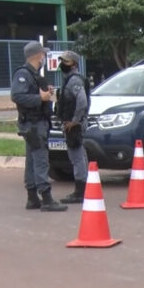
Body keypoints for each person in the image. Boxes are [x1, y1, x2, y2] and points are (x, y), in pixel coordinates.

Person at [11, 41, 67, 212]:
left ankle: (33, 198)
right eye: (43, 54)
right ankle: (47, 198)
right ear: (37, 55)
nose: (44, 57)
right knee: (41, 160)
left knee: (32, 161)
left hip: (36, 123)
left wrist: (44, 93)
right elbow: (17, 96)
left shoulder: (33, 75)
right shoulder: (23, 74)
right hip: (34, 124)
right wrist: (40, 98)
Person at [56, 51, 90, 203]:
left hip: (74, 126)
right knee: (79, 156)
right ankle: (84, 189)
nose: (63, 64)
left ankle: (80, 192)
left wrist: (74, 121)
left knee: (77, 158)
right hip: (73, 124)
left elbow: (82, 101)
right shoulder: (71, 79)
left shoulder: (74, 81)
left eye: (66, 61)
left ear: (74, 64)